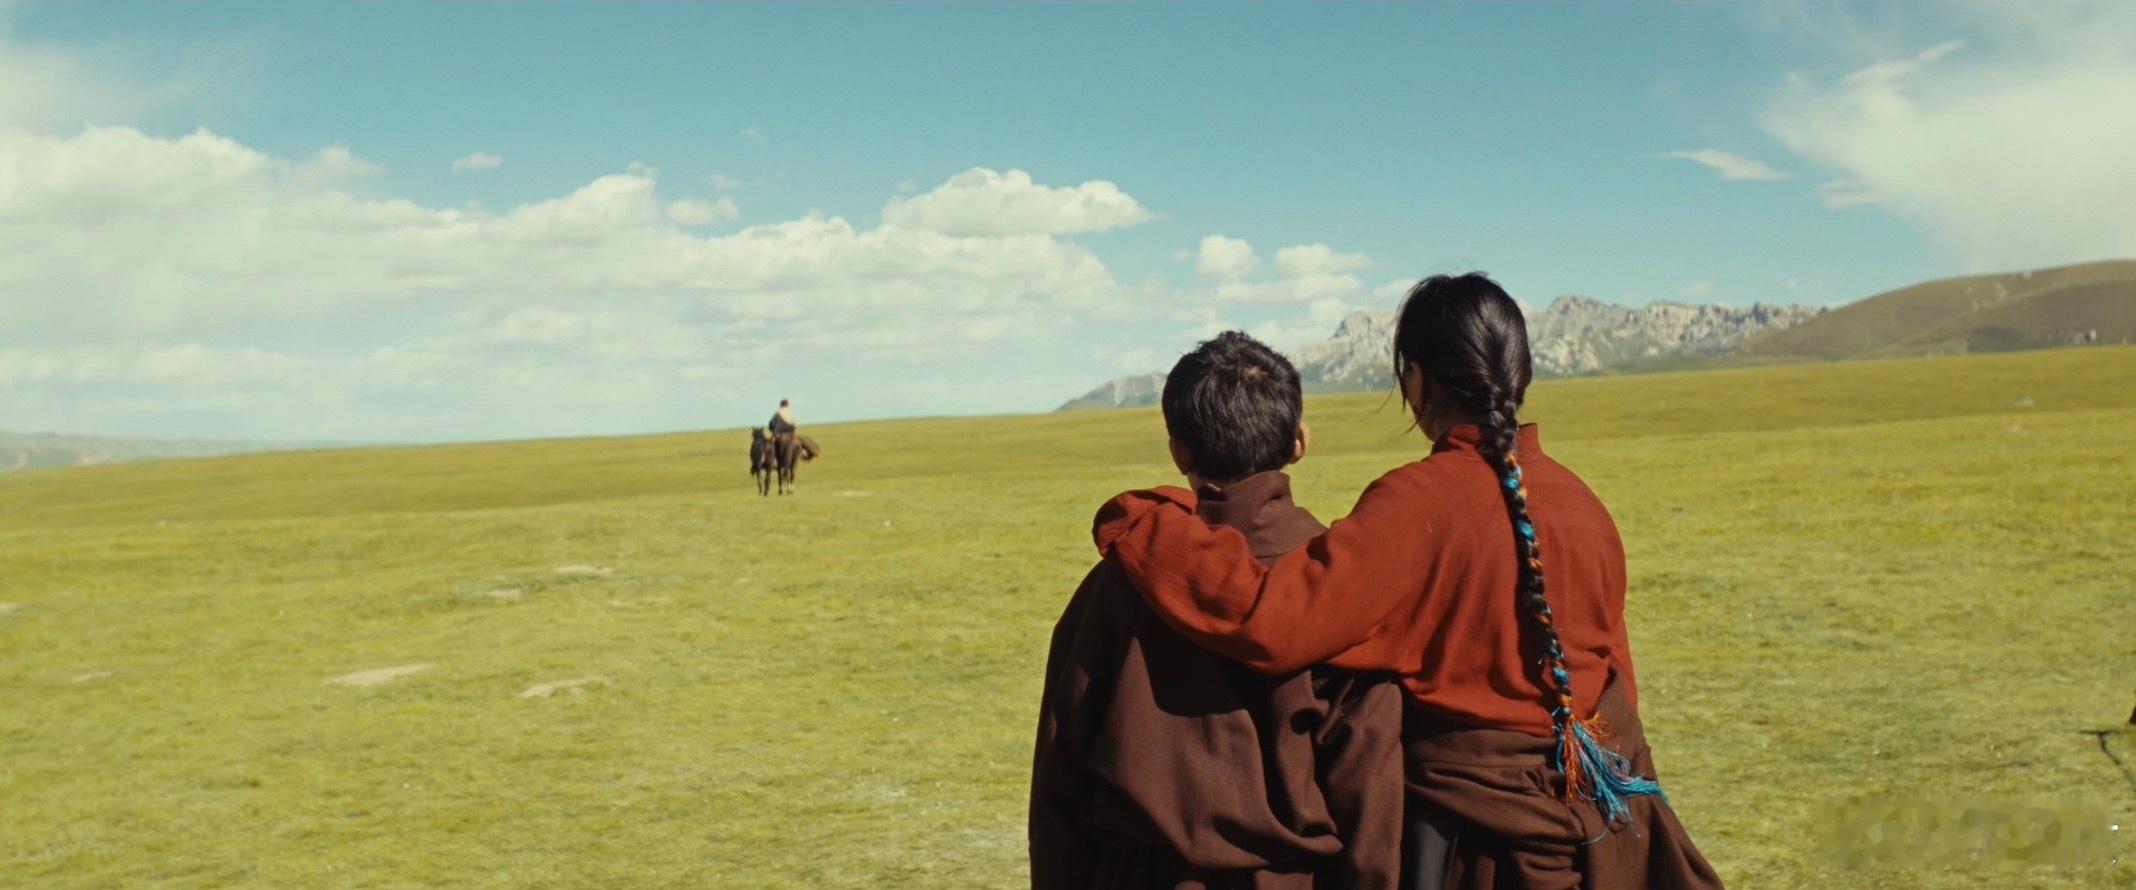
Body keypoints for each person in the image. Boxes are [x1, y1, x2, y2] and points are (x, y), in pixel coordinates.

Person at [1091, 275, 1723, 889]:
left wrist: (1148, 523)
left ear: (1416, 379)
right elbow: (1616, 674)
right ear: (1518, 375)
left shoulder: (1415, 505)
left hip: (1479, 852)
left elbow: (1269, 620)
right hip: (1608, 838)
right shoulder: (1583, 503)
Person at [1031, 331, 1406, 889]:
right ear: (1299, 442)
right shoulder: (1339, 588)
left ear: (1178, 450)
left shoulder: (1117, 586)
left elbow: (1061, 773)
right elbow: (1369, 789)